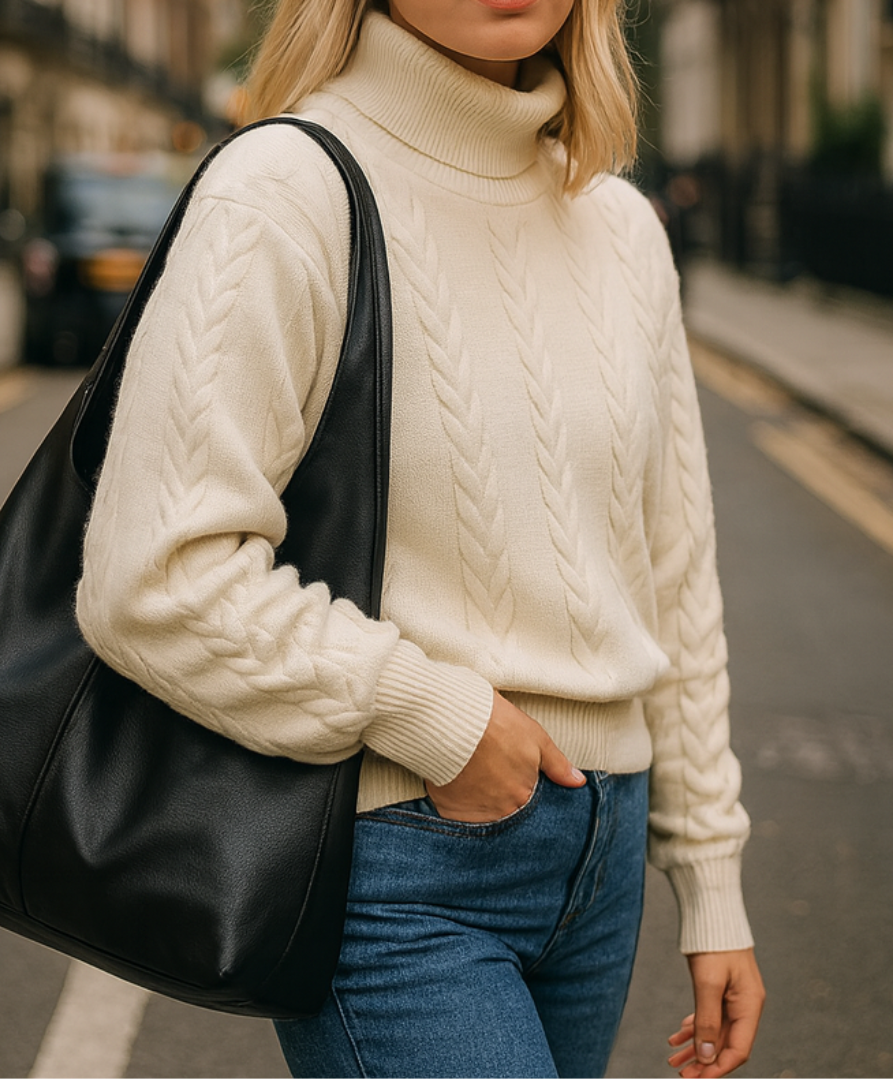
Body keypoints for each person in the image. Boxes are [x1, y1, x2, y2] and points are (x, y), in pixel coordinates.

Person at [75, 1, 765, 1077]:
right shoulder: (284, 189)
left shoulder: (622, 228)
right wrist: (439, 716)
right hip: (403, 861)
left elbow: (674, 574)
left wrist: (711, 875)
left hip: (604, 859)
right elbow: (153, 576)